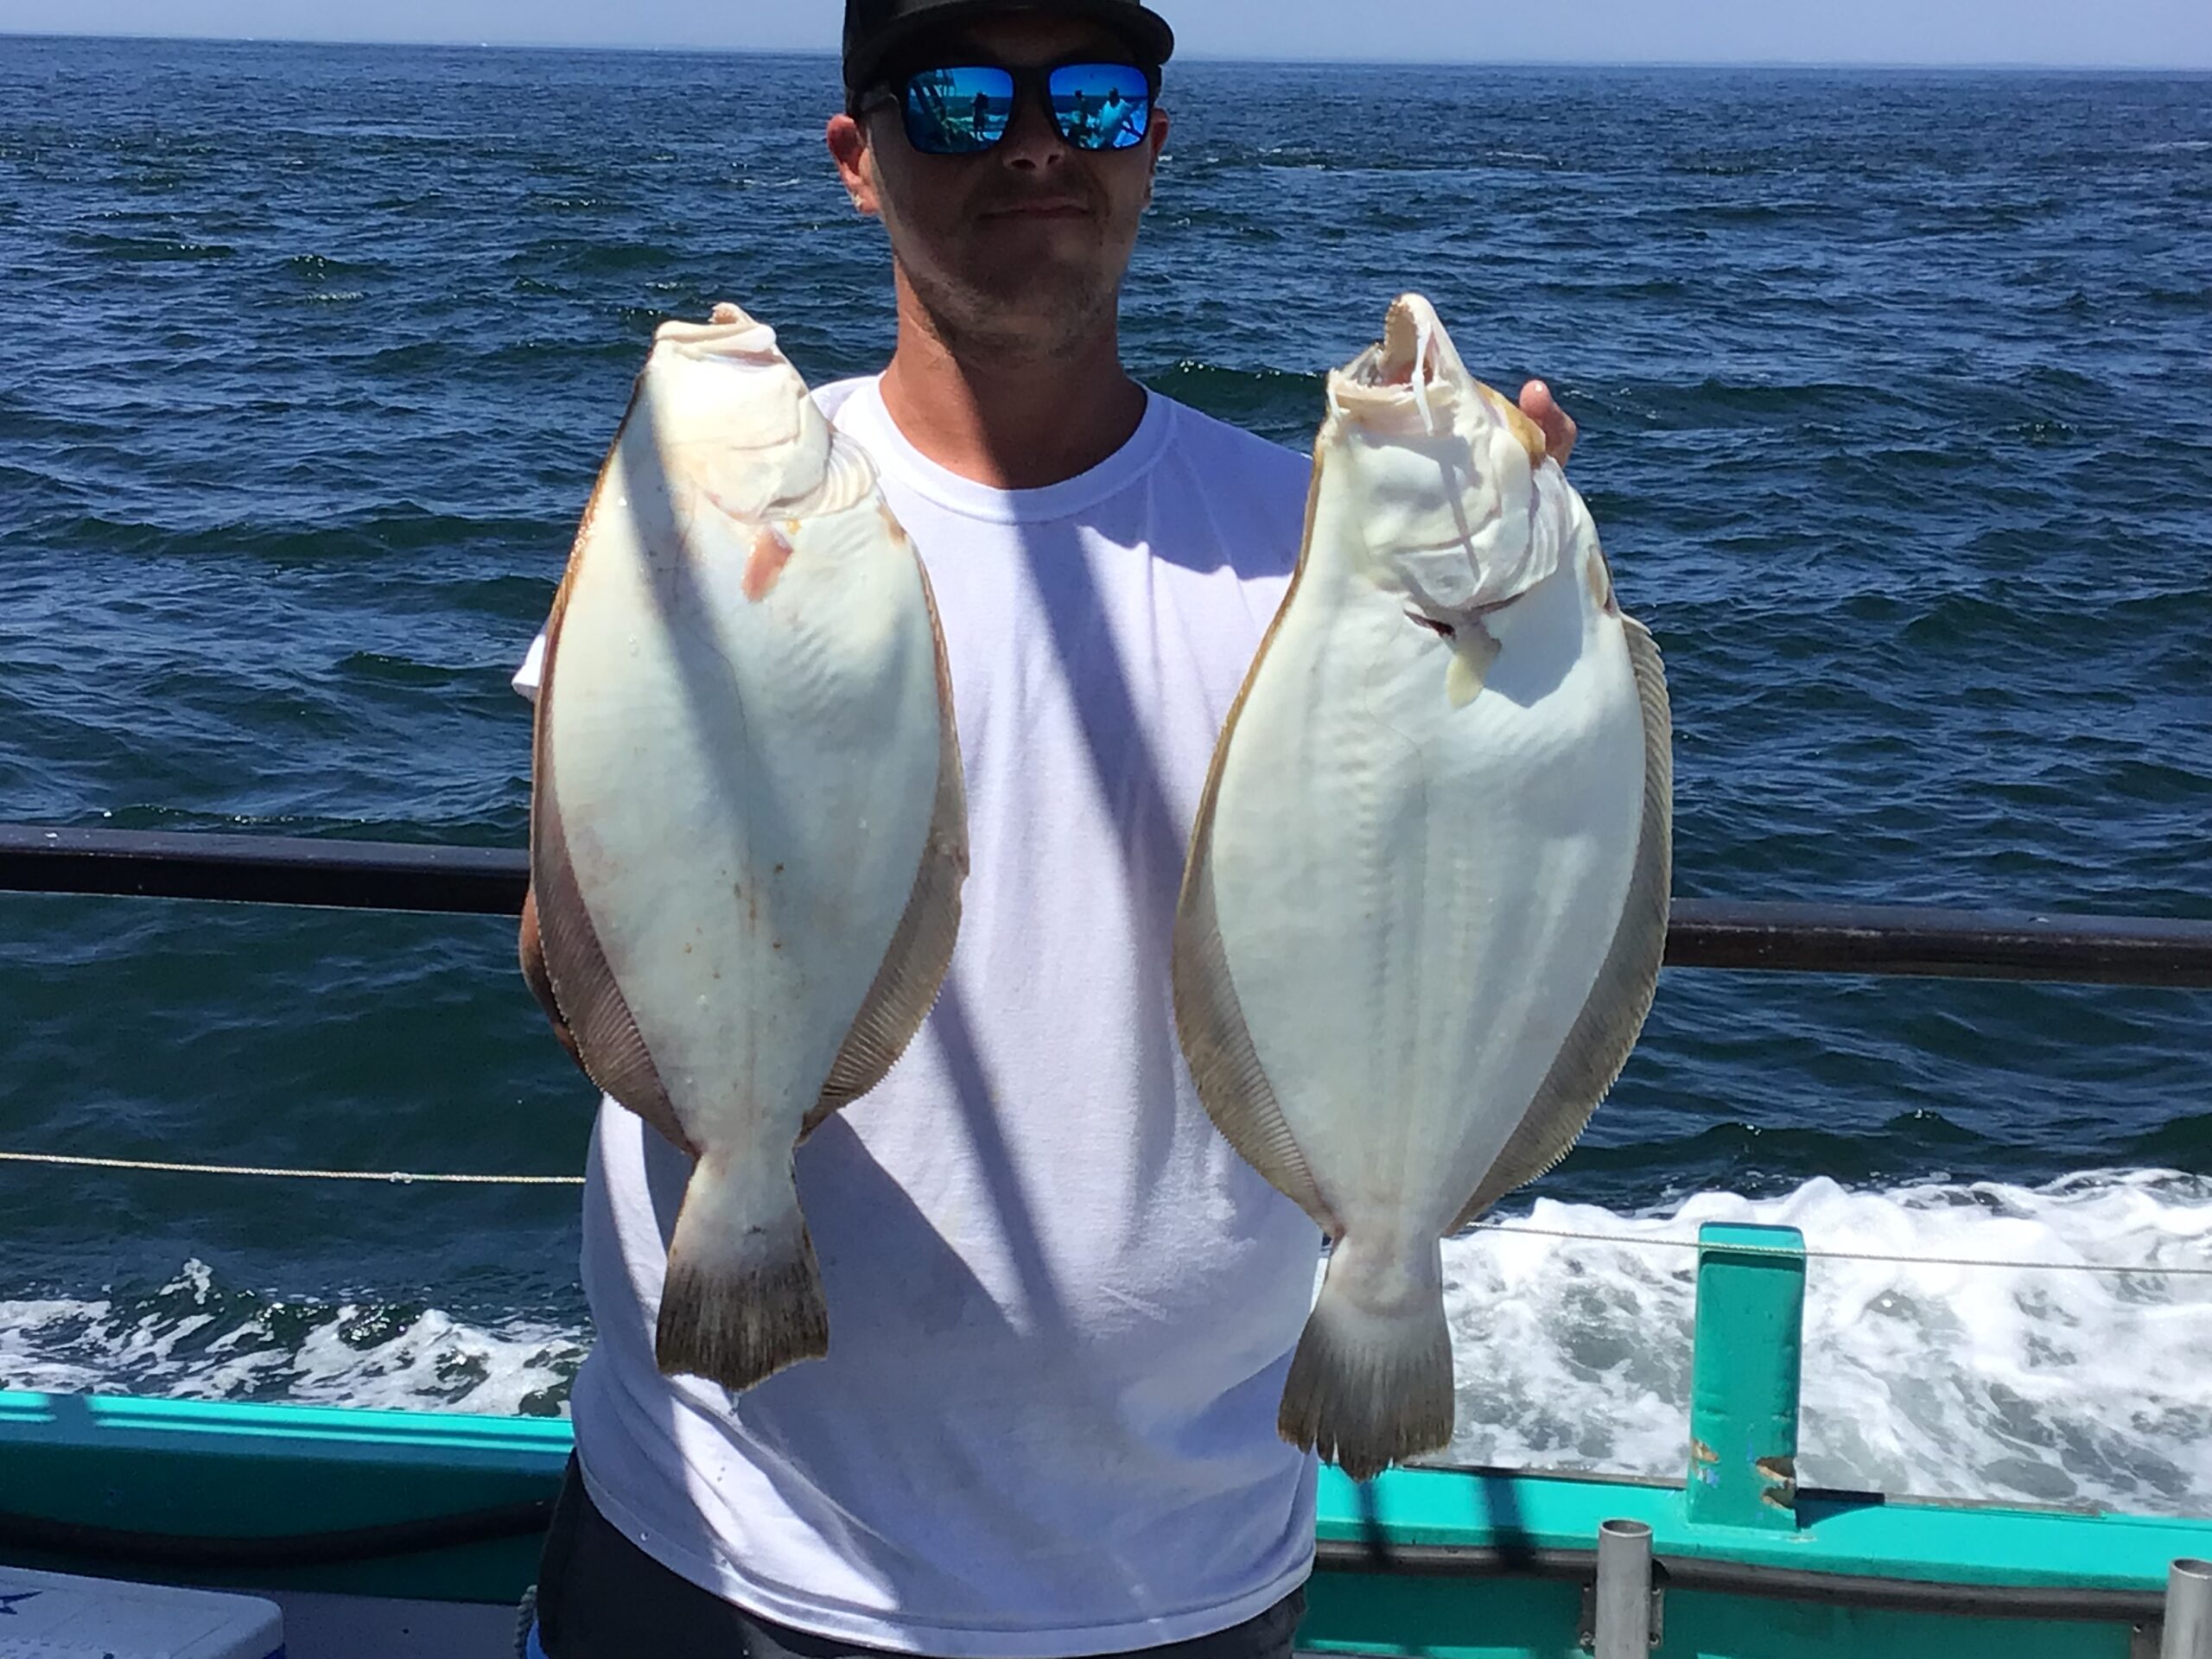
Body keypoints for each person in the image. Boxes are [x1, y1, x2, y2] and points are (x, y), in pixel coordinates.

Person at [517, 2, 1579, 1655]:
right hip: (720, 1538)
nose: (1033, 140)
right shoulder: (713, 508)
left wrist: (1540, 636)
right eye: (955, 98)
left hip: (1187, 1566)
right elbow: (563, 936)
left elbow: (1503, 887)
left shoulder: (1320, 547)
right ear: (857, 162)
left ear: (1153, 143)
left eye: (1091, 96)